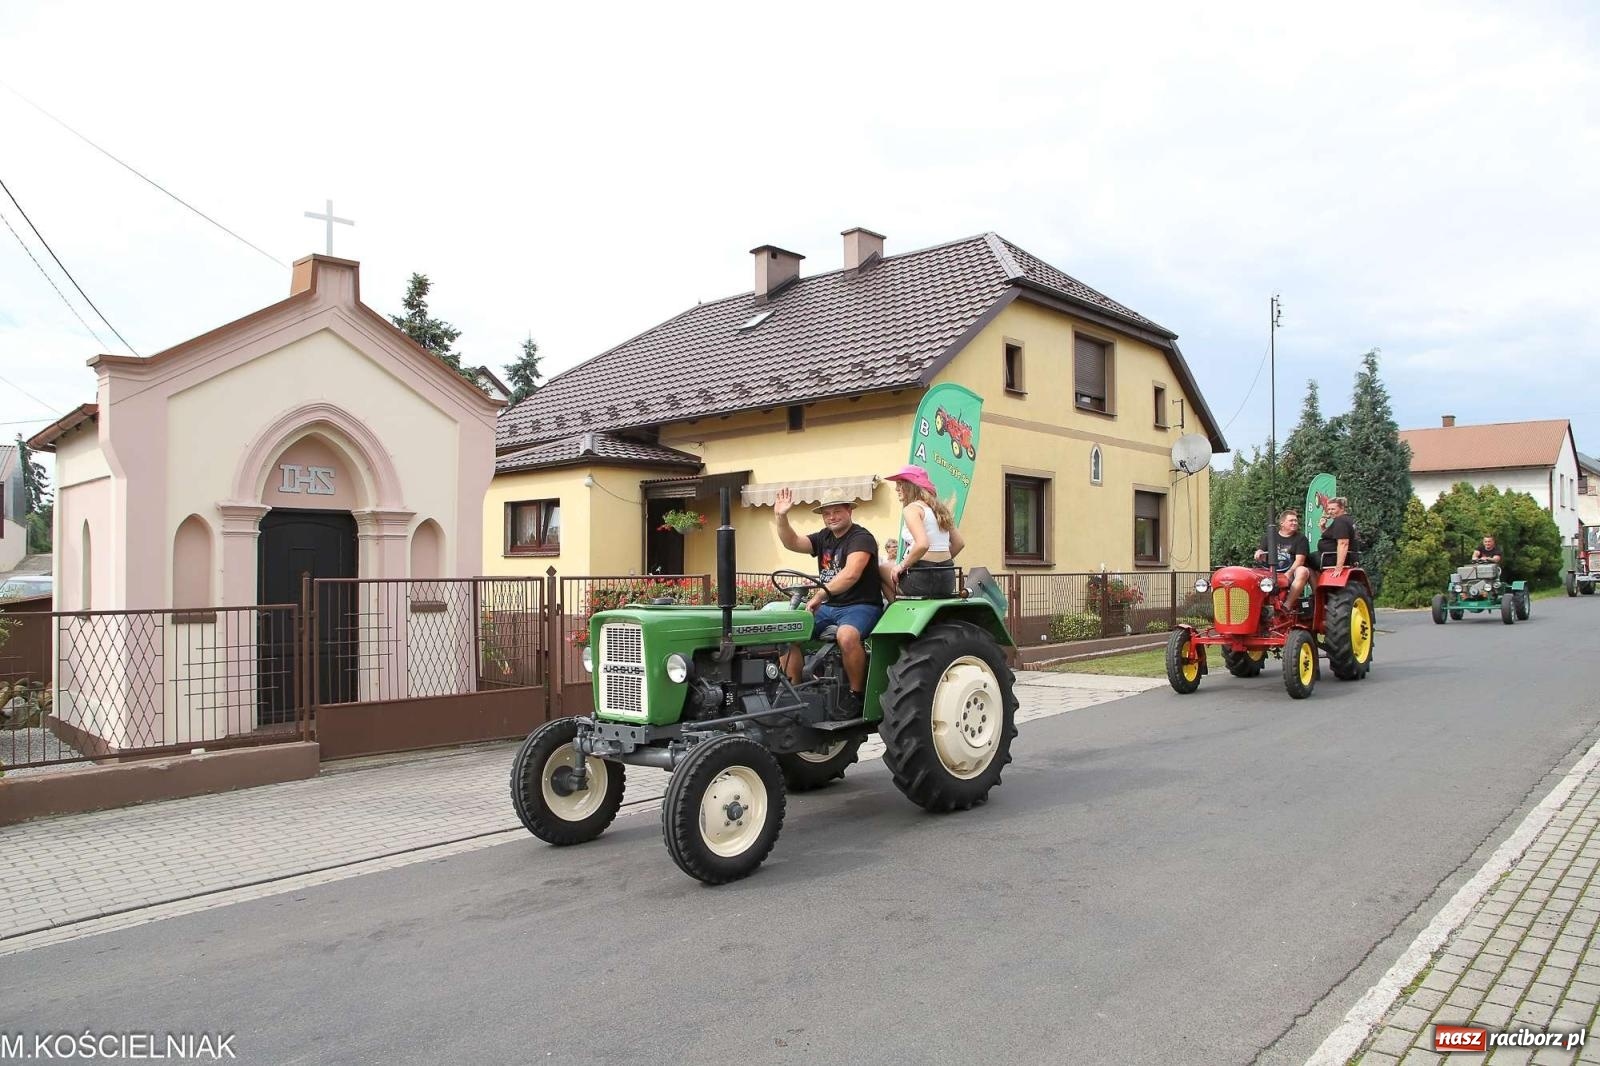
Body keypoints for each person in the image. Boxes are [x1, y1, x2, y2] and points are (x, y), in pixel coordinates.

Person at [773, 488, 881, 714]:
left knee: (847, 635)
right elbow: (792, 542)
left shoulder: (861, 538)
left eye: (837, 511)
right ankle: (793, 694)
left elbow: (851, 574)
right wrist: (781, 517)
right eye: (827, 513)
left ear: (849, 510)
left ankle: (856, 695)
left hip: (860, 605)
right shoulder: (824, 537)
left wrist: (821, 594)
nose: (831, 517)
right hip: (829, 607)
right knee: (789, 629)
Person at [880, 464, 965, 599]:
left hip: (921, 578)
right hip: (947, 578)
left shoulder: (912, 509)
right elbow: (959, 543)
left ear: (910, 486)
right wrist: (939, 563)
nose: (897, 489)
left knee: (882, 569)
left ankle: (897, 610)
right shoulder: (940, 509)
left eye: (900, 484)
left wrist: (902, 566)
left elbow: (922, 544)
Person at [1255, 509, 1312, 604]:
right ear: (1282, 523)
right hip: (1270, 572)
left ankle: (1287, 605)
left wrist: (1289, 574)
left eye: (1296, 521)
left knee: (1303, 570)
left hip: (1290, 572)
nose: (1294, 523)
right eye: (1291, 521)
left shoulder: (1301, 539)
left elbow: (1300, 561)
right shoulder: (1270, 536)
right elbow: (1261, 550)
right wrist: (1258, 553)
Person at [1316, 496, 1357, 574]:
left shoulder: (1340, 521)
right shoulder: (1346, 519)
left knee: (1306, 562)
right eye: (1329, 509)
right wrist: (1322, 526)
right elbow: (1330, 537)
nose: (1330, 512)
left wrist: (1338, 568)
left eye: (1333, 509)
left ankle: (1316, 585)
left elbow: (1343, 544)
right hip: (1334, 556)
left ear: (1342, 508)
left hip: (1331, 558)